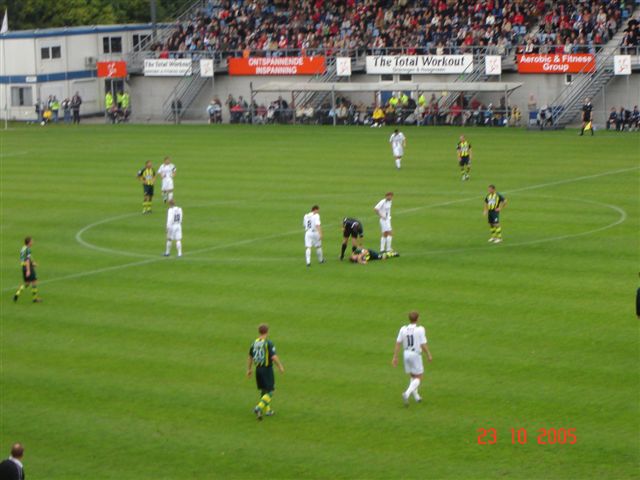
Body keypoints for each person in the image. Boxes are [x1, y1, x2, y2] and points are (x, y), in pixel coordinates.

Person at [392, 311, 432, 406]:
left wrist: (395, 357)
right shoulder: (420, 329)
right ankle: (407, 393)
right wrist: (428, 354)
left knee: (413, 376)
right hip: (415, 354)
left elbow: (398, 343)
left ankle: (416, 396)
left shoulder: (403, 329)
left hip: (406, 353)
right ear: (417, 319)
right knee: (419, 377)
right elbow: (423, 344)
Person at [247, 324, 284, 420]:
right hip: (266, 369)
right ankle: (258, 407)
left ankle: (268, 410)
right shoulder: (268, 343)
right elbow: (273, 357)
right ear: (267, 332)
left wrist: (249, 369)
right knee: (271, 391)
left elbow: (250, 357)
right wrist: (280, 366)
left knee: (264, 390)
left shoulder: (254, 343)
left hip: (258, 369)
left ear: (259, 332)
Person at [13, 237, 42, 303]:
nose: (33, 242)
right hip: (28, 267)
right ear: (29, 242)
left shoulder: (23, 248)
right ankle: (35, 299)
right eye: (32, 241)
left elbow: (25, 259)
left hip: (23, 267)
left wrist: (33, 263)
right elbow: (27, 260)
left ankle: (17, 293)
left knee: (27, 283)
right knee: (34, 281)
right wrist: (28, 270)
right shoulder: (28, 250)